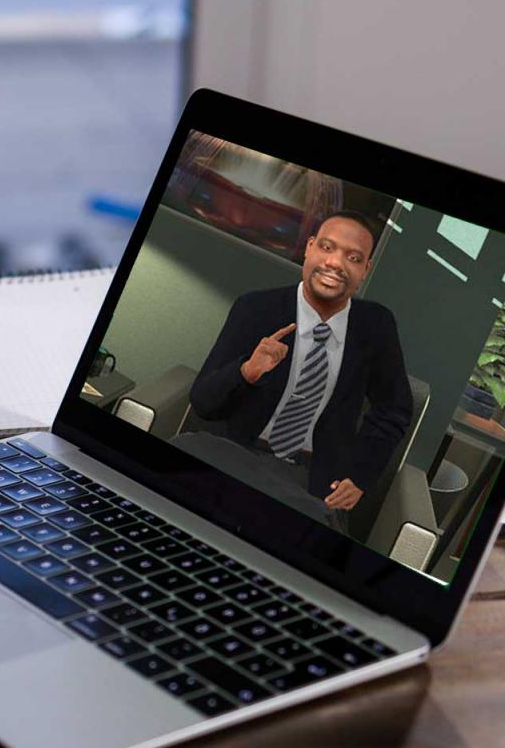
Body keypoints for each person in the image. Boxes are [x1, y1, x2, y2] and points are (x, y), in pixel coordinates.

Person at [177, 212, 413, 534]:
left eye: (353, 257)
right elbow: (203, 402)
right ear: (309, 248)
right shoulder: (255, 308)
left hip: (310, 478)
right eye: (327, 248)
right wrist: (245, 372)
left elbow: (393, 409)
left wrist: (359, 475)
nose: (335, 263)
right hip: (235, 455)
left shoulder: (375, 326)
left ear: (365, 270)